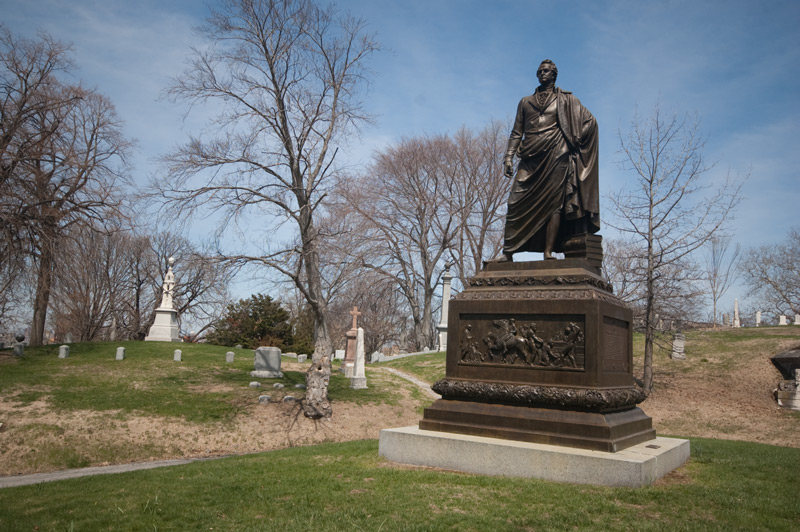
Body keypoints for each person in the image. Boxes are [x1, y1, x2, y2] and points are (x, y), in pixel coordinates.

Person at [496, 59, 600, 261]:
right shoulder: (525, 102)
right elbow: (517, 132)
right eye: (540, 71)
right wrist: (508, 156)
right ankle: (508, 252)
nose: (543, 73)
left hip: (556, 154)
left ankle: (548, 251)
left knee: (555, 205)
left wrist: (574, 139)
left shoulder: (567, 100)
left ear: (554, 75)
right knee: (514, 200)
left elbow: (591, 121)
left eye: (547, 71)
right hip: (530, 156)